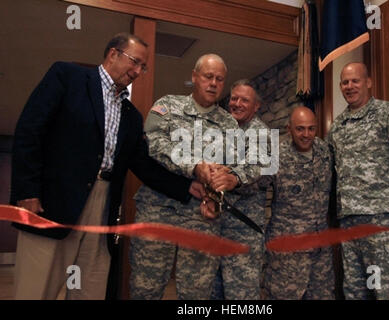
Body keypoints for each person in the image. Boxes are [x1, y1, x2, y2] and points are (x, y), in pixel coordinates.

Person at [10, 33, 203, 300]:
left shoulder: (132, 116)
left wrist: (186, 186)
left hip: (102, 209)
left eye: (143, 67)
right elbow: (29, 132)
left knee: (90, 288)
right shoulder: (67, 77)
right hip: (53, 204)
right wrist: (27, 192)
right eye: (134, 62)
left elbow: (143, 165)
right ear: (113, 54)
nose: (138, 71)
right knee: (35, 289)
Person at [129, 55, 258, 299]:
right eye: (208, 76)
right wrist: (194, 166)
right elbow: (154, 145)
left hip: (202, 217)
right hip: (158, 210)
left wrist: (220, 189)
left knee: (197, 292)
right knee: (146, 286)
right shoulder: (167, 107)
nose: (213, 83)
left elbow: (232, 167)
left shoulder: (229, 124)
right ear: (194, 76)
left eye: (220, 79)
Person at [326, 62, 389, 299]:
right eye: (345, 82)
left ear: (368, 82)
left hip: (385, 222)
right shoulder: (337, 127)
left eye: (355, 81)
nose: (350, 86)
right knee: (355, 292)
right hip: (350, 225)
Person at [263, 106, 335, 299]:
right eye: (300, 129)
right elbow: (253, 187)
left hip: (320, 248)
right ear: (289, 129)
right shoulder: (275, 155)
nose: (306, 134)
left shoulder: (325, 151)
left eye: (311, 128)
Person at [210, 79, 272, 300]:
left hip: (242, 228)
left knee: (241, 294)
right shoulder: (221, 129)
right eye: (234, 98)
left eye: (244, 100)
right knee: (212, 291)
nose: (237, 103)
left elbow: (261, 169)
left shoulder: (262, 133)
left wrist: (233, 177)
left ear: (256, 106)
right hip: (214, 224)